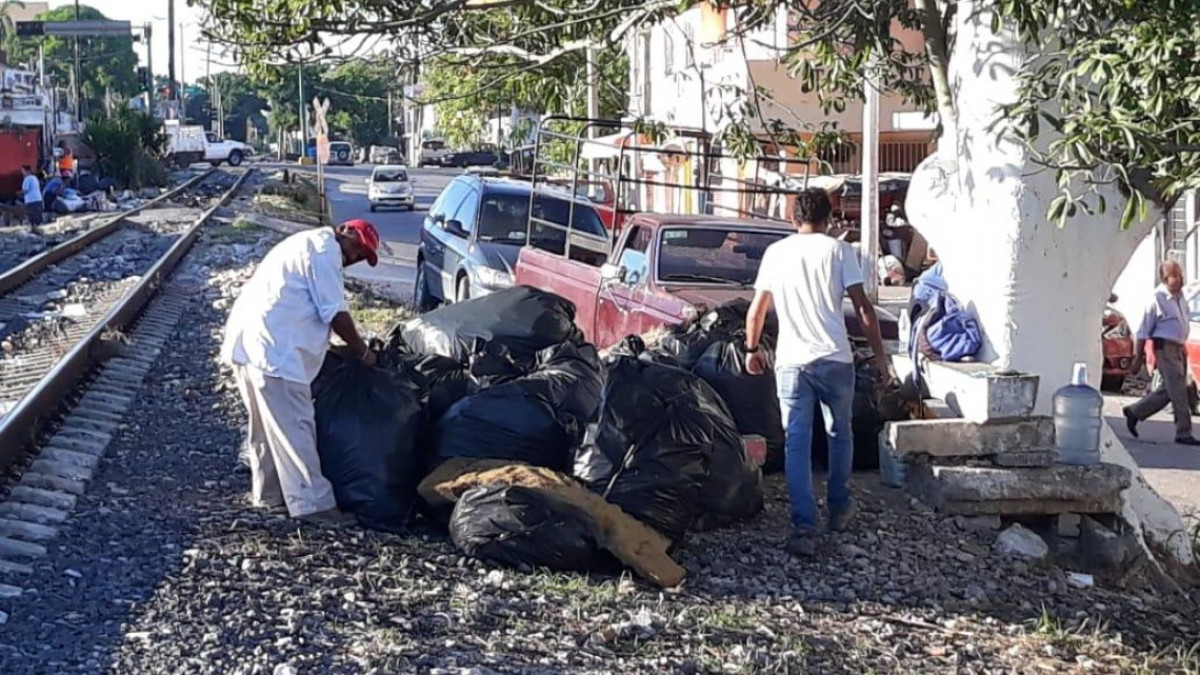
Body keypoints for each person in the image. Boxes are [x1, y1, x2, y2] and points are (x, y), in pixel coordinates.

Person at [744, 187, 890, 557]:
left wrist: (751, 349)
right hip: (836, 359)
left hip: (792, 361)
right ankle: (839, 507)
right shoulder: (840, 252)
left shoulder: (777, 253)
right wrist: (881, 358)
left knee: (797, 442)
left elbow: (757, 310)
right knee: (840, 433)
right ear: (829, 220)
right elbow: (864, 309)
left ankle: (804, 525)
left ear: (794, 219)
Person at [220, 219, 381, 524]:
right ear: (343, 230)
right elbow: (334, 312)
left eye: (363, 255)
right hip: (276, 352)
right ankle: (314, 506)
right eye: (357, 246)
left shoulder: (306, 244)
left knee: (266, 429)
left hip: (250, 346)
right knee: (296, 427)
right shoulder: (324, 250)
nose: (356, 255)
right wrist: (363, 353)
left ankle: (268, 496)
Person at [1123, 260, 1200, 446]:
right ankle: (1183, 431)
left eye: (1181, 276)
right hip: (1164, 349)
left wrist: (1182, 345)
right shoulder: (1157, 299)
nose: (1181, 280)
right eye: (1176, 276)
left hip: (1178, 348)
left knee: (1169, 390)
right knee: (1179, 391)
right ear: (1166, 279)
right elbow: (1143, 331)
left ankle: (1135, 411)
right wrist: (1138, 359)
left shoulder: (1180, 297)